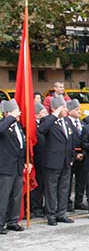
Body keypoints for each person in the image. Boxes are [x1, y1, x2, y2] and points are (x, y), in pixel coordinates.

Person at [39, 96, 75, 226]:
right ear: (55, 108)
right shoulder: (48, 120)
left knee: (64, 189)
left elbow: (70, 141)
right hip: (52, 162)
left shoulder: (67, 121)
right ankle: (51, 214)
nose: (66, 110)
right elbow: (42, 129)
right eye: (63, 107)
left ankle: (61, 213)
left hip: (65, 161)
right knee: (51, 189)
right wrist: (55, 114)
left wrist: (71, 157)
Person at [0, 100, 28, 234]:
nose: (19, 114)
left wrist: (26, 162)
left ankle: (13, 221)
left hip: (18, 166)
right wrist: (10, 118)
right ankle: (0, 223)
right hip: (6, 167)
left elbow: (21, 145)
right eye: (15, 111)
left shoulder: (18, 126)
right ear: (6, 113)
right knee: (3, 196)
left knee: (16, 196)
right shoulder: (3, 125)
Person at [66, 99, 86, 212]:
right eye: (76, 109)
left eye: (79, 109)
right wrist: (75, 154)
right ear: (69, 111)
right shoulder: (67, 123)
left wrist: (83, 153)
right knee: (68, 181)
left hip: (82, 156)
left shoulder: (82, 123)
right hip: (71, 156)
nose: (79, 111)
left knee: (81, 180)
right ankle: (67, 202)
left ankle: (79, 201)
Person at [31, 102, 47, 218]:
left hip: (44, 159)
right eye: (43, 112)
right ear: (36, 114)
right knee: (37, 185)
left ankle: (41, 205)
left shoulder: (43, 124)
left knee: (43, 184)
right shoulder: (32, 126)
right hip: (36, 159)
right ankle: (36, 207)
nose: (46, 114)